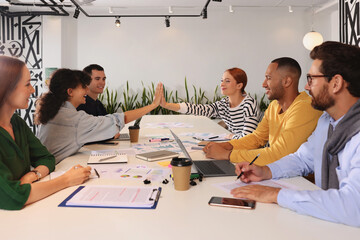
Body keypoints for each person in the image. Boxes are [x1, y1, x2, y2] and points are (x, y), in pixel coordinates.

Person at [231, 41, 360, 227]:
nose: (307, 88)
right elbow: (303, 158)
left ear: (336, 83)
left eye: (311, 79)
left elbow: (353, 206)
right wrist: (266, 171)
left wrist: (276, 195)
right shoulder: (326, 122)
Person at [0, 56, 91, 210]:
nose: (33, 90)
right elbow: (12, 196)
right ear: (6, 87)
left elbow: (46, 158)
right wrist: (66, 180)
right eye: (27, 84)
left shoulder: (17, 123)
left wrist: (33, 174)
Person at [203, 57, 322, 165]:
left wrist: (227, 154)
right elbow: (257, 138)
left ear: (287, 81)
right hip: (278, 172)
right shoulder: (274, 105)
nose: (263, 84)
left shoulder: (305, 107)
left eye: (268, 78)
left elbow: (280, 154)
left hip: (302, 180)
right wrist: (226, 145)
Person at [36, 69, 162, 164]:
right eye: (83, 87)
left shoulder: (54, 110)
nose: (86, 91)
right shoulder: (74, 119)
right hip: (54, 170)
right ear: (70, 92)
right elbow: (117, 120)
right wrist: (153, 105)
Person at [160, 68, 261, 139]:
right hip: (236, 146)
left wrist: (231, 136)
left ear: (239, 85)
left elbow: (248, 138)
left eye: (227, 81)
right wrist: (166, 105)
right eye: (222, 81)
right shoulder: (223, 104)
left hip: (250, 152)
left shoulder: (249, 104)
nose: (222, 84)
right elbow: (199, 109)